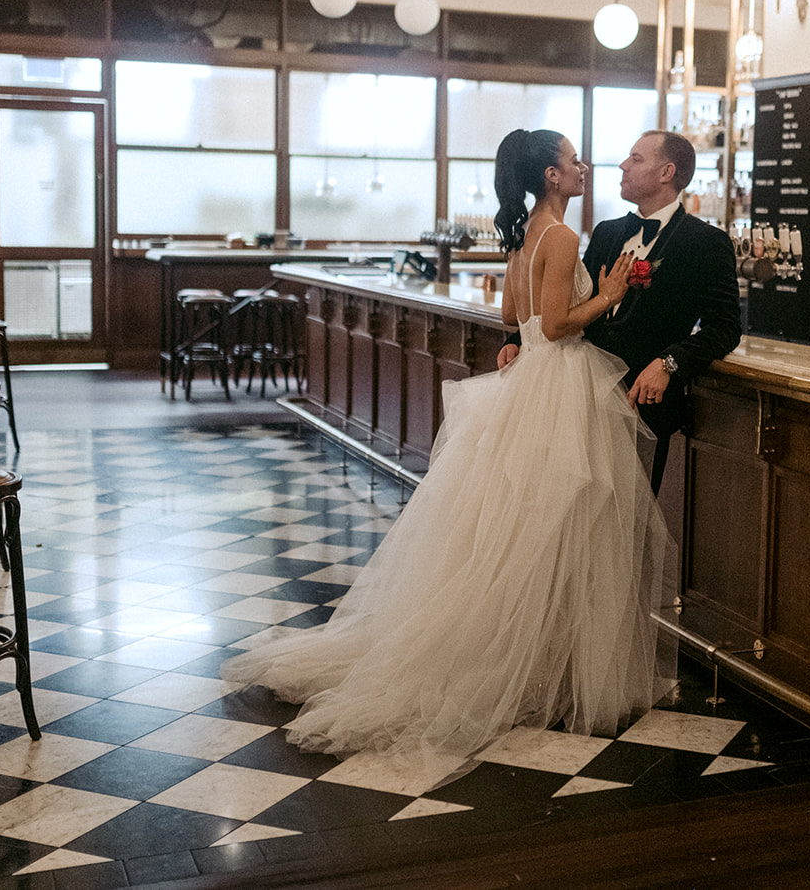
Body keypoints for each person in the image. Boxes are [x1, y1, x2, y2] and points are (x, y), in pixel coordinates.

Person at [221, 128, 675, 780]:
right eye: (574, 159)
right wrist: (607, 296)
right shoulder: (565, 237)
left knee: (519, 530)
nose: (584, 167)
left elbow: (513, 322)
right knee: (558, 528)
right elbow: (550, 324)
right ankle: (545, 668)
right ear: (551, 175)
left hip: (527, 382)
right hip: (559, 382)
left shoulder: (522, 236)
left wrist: (521, 343)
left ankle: (538, 660)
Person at [500, 130, 742, 494]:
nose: (622, 165)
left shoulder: (706, 243)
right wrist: (520, 339)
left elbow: (724, 327)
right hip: (578, 397)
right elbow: (565, 304)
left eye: (636, 159)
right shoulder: (607, 233)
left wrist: (670, 362)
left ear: (666, 172)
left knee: (625, 530)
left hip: (642, 404)